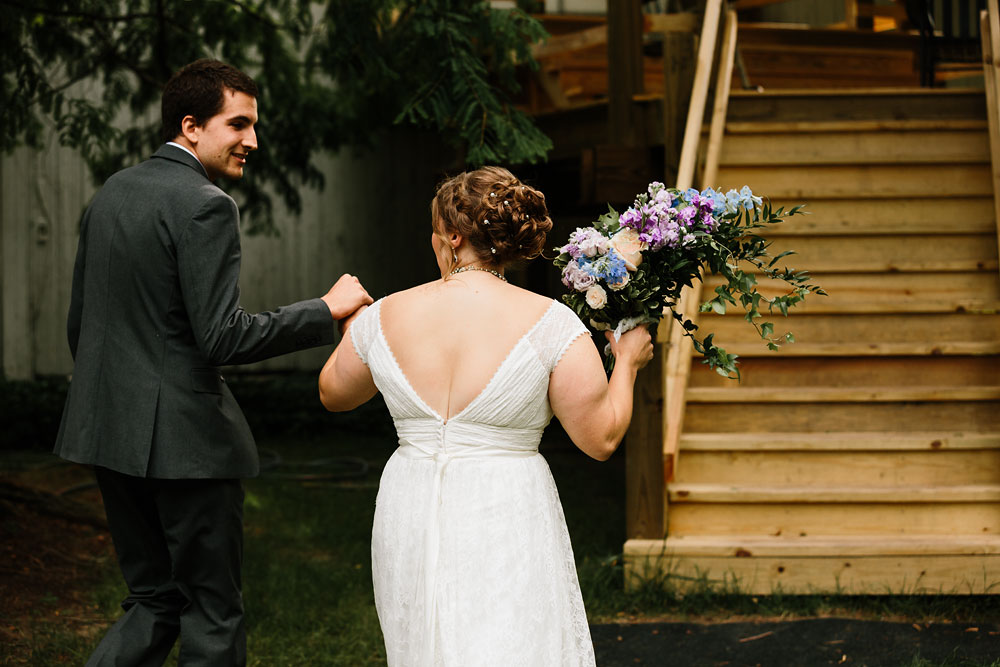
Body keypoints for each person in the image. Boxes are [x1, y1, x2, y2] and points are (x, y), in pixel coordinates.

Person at [53, 59, 372, 666]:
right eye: (240, 124)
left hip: (106, 431)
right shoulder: (206, 204)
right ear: (192, 125)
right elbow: (223, 338)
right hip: (186, 447)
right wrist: (326, 311)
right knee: (212, 611)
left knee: (151, 599)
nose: (253, 141)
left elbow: (81, 325)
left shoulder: (112, 193)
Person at [318, 166, 653, 665]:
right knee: (509, 640)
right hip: (505, 500)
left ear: (453, 237)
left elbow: (334, 393)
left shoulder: (383, 315)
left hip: (410, 500)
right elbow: (600, 438)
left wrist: (353, 327)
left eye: (435, 231)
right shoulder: (551, 324)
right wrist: (626, 363)